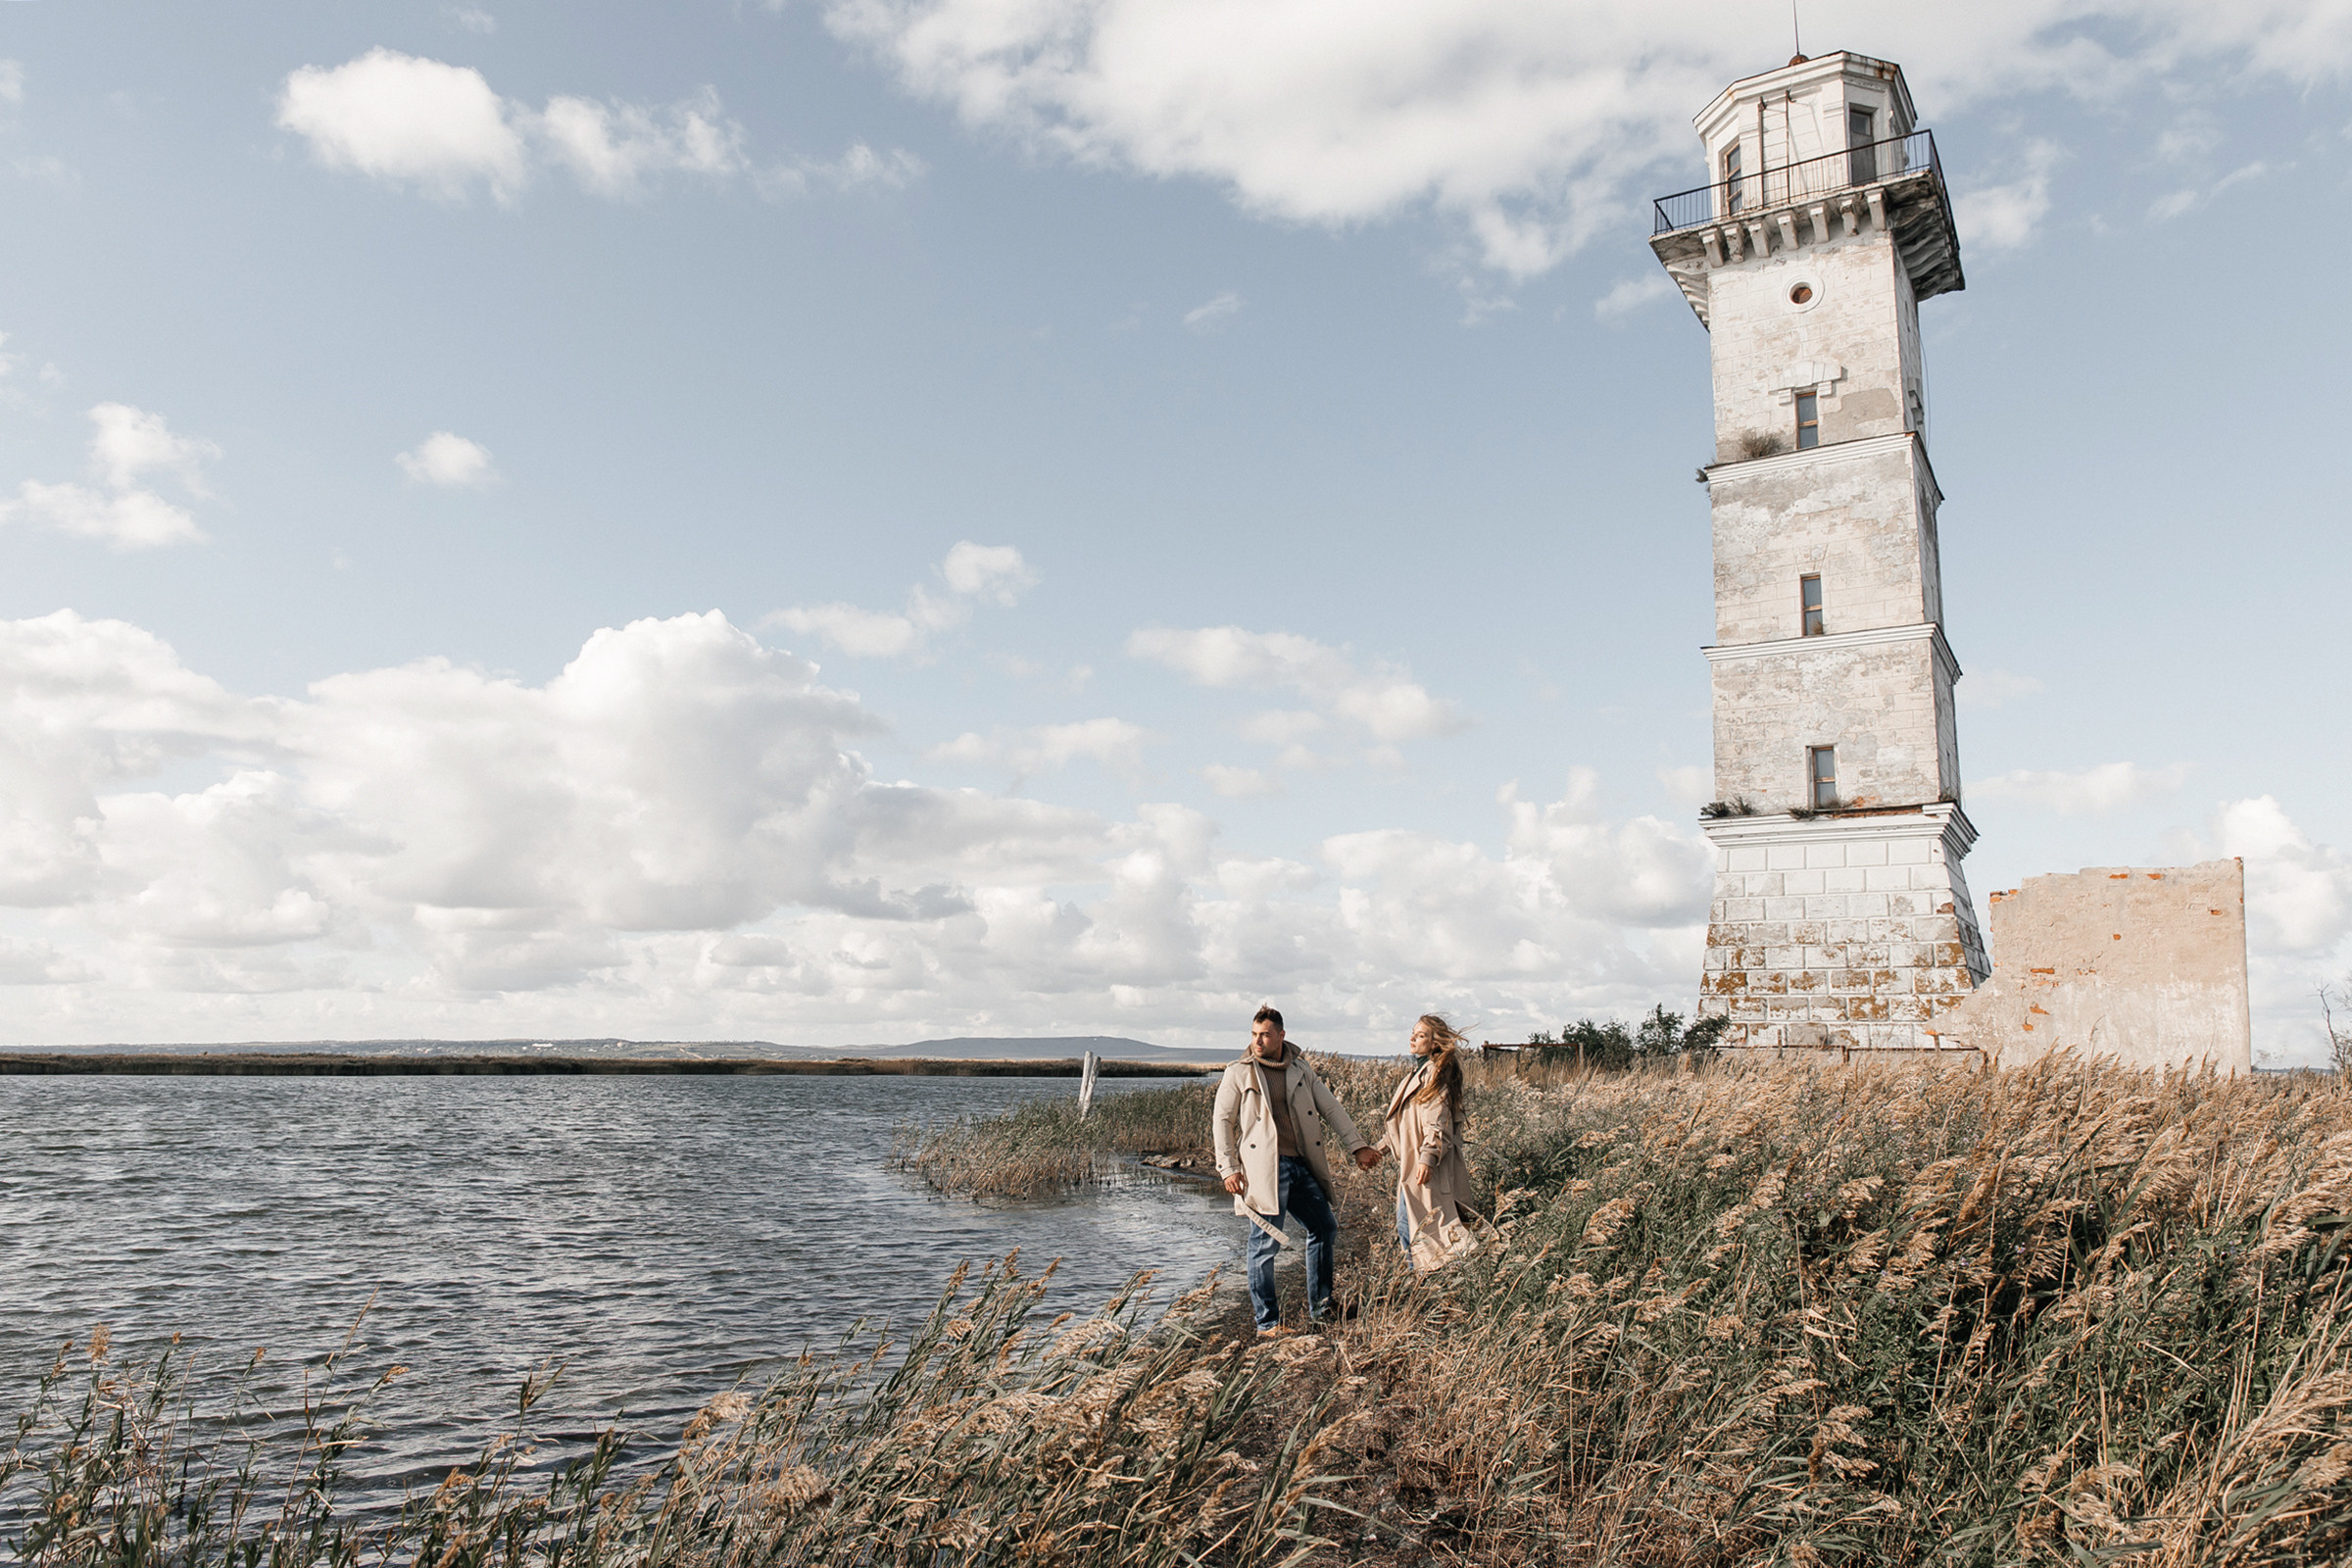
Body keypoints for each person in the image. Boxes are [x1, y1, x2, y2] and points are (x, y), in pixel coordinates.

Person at [1212, 1005, 1380, 1338]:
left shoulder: (1300, 1068)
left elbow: (1330, 1107)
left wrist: (1357, 1145)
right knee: (1264, 1245)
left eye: (1265, 1035)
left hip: (1298, 1164)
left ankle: (1322, 1307)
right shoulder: (1239, 1072)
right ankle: (1268, 1324)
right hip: (1264, 1169)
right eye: (1254, 1035)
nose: (1258, 1041)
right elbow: (1222, 1121)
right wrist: (1228, 1167)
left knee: (1324, 1226)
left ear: (1281, 1036)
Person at [1375, 1013, 1478, 1270]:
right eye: (1413, 1033)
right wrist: (1377, 1150)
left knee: (1424, 1232)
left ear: (1433, 1044)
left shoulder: (1435, 1075)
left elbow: (1438, 1122)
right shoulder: (1418, 1073)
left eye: (1420, 1035)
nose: (1412, 1038)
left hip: (1425, 1168)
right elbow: (1404, 1126)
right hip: (1414, 1166)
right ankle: (1427, 1285)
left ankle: (1424, 1288)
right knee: (1421, 1230)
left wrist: (1428, 1157)